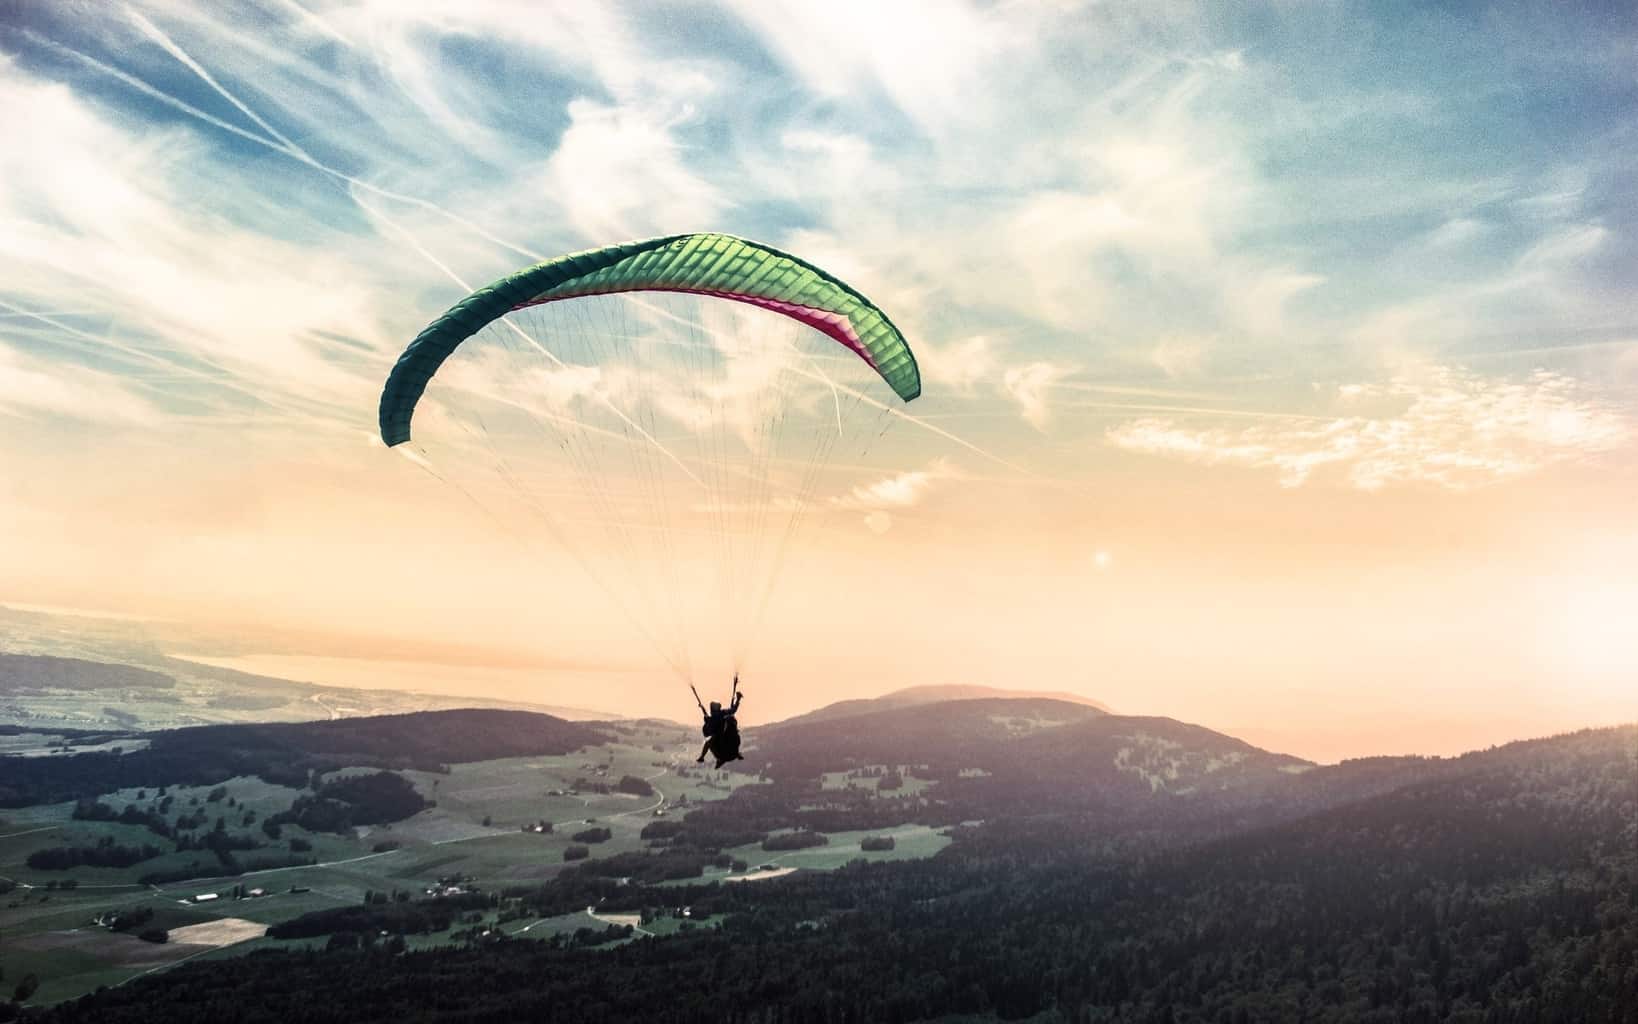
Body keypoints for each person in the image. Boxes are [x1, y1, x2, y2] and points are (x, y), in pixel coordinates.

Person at [696, 677, 744, 768]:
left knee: (708, 741)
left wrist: (702, 708)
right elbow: (733, 710)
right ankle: (737, 753)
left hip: (719, 736)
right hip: (726, 734)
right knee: (734, 731)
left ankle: (702, 757)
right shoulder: (722, 713)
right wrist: (738, 700)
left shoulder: (714, 717)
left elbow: (707, 718)